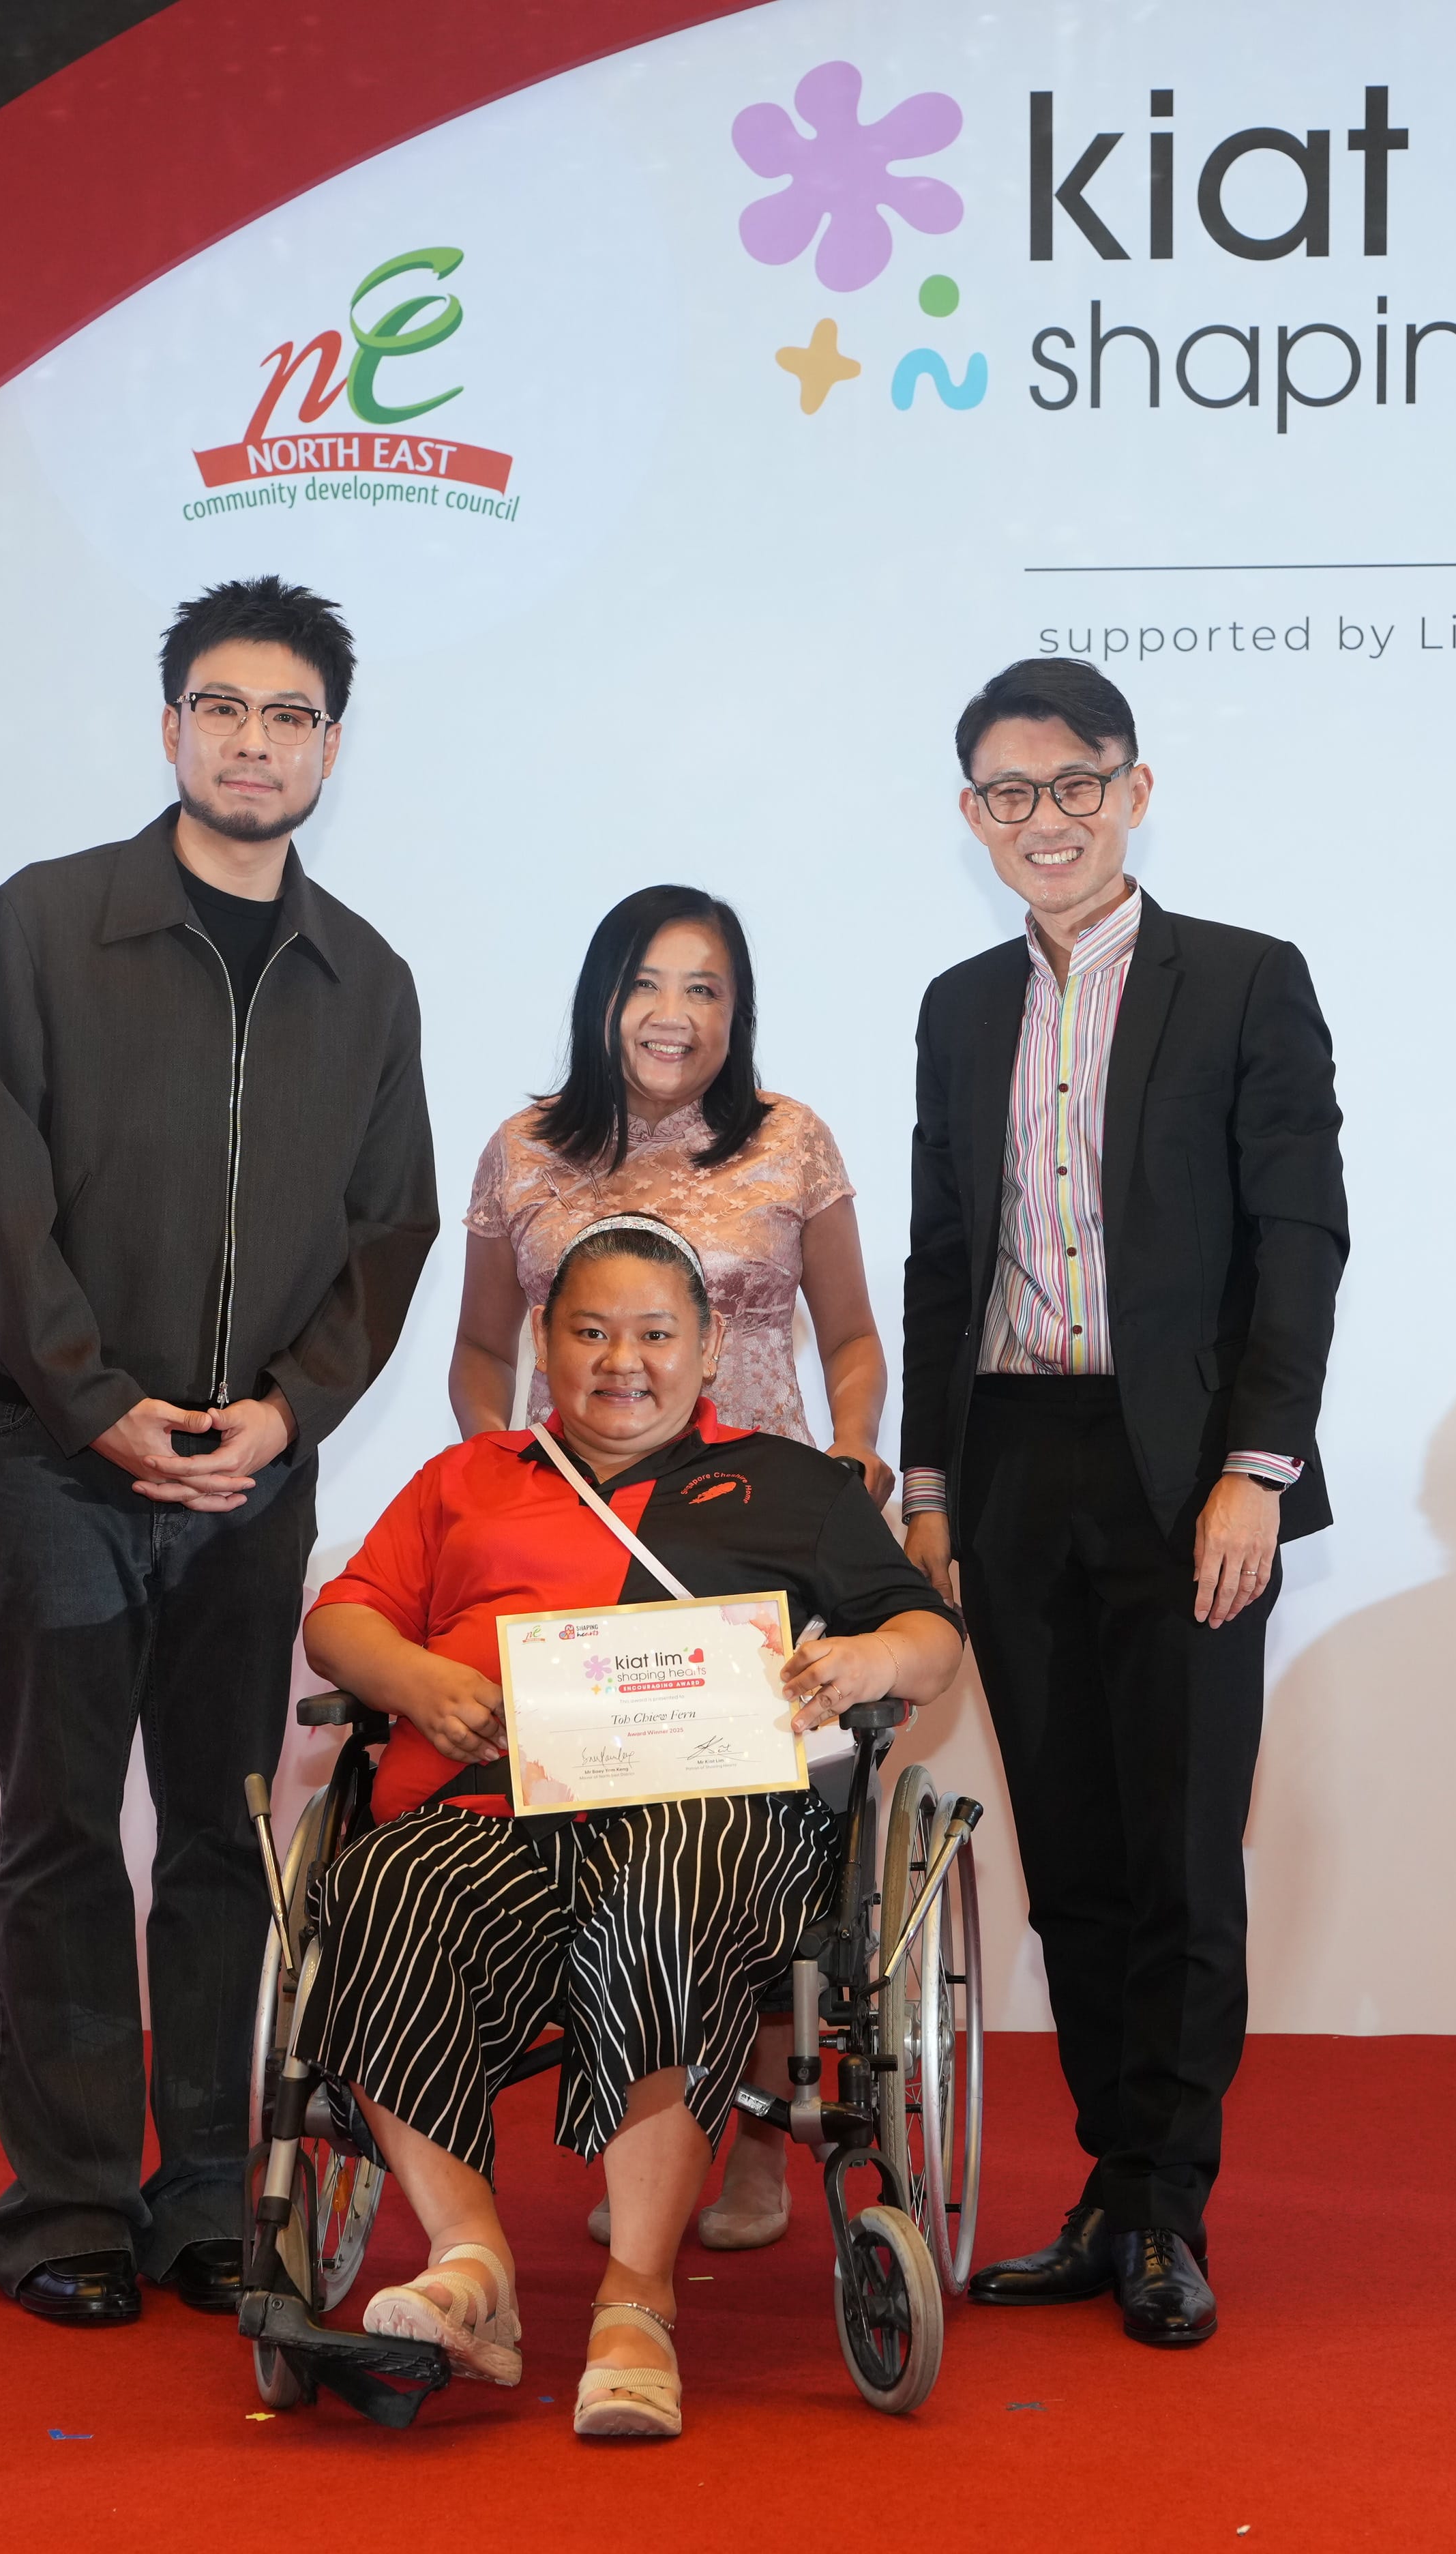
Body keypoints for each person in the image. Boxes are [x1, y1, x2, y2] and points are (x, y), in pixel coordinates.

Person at [0, 577, 439, 2327]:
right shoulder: (45, 927)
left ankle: (210, 2195)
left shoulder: (365, 981)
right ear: (170, 727)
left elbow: (392, 1233)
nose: (251, 743)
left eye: (287, 718)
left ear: (330, 750)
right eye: (221, 709)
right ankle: (67, 2205)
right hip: (62, 1464)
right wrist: (98, 1402)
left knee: (225, 1837)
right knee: (63, 1831)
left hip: (254, 1484)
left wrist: (284, 1416)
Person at [303, 1216, 961, 2440]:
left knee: (670, 1880)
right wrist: (416, 1683)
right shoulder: (470, 1477)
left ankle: (637, 2300)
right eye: (591, 1331)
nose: (623, 1360)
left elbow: (930, 1641)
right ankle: (470, 2268)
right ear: (545, 1344)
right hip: (496, 1812)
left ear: (708, 1351)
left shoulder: (790, 1482)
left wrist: (867, 1654)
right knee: (384, 1883)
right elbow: (340, 1621)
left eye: (656, 1334)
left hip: (710, 1826)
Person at [899, 656, 1346, 2349]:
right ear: (971, 819)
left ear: (1135, 790)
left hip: (1185, 1483)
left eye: (1075, 785)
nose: (1046, 821)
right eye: (1009, 795)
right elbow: (950, 1256)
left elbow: (1298, 1243)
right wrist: (933, 1485)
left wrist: (1258, 1469)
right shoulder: (956, 1006)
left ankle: (1169, 2206)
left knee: (1178, 1853)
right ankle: (1107, 2184)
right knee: (1070, 1857)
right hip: (1012, 1464)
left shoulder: (1244, 984)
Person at [449, 883, 889, 2250]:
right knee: (612, 1827)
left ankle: (752, 2136)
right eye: (649, 982)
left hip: (761, 1532)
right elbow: (479, 1355)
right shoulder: (524, 1151)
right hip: (582, 1541)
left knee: (750, 1821)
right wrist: (511, 1481)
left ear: (736, 1011)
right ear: (600, 996)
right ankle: (642, 2127)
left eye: (706, 988)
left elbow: (854, 1338)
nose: (675, 1013)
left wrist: (860, 1457)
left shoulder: (790, 1142)